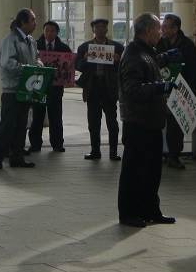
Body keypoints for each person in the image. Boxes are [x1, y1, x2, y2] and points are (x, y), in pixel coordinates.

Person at [118, 13, 177, 228]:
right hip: (137, 122)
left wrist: (165, 57)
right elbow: (132, 90)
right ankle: (128, 213)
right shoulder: (133, 54)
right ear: (148, 31)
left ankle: (151, 210)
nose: (160, 33)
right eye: (158, 29)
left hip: (152, 122)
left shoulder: (146, 52)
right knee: (134, 170)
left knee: (152, 170)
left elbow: (150, 63)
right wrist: (160, 87)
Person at [0, 8, 40, 169]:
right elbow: (7, 63)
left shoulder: (31, 40)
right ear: (23, 22)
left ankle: (17, 157)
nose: (35, 23)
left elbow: (35, 59)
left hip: (26, 89)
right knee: (8, 125)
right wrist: (27, 69)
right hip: (12, 90)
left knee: (21, 125)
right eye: (32, 20)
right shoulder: (10, 40)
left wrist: (38, 65)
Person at [75, 19, 125, 161]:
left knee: (112, 122)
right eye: (97, 27)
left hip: (109, 87)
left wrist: (118, 60)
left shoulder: (117, 47)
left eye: (103, 27)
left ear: (107, 30)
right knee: (93, 122)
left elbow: (124, 67)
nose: (100, 29)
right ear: (93, 30)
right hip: (93, 87)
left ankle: (113, 152)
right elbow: (78, 66)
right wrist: (84, 59)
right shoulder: (85, 47)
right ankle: (95, 151)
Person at [157, 13, 196, 170]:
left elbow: (193, 71)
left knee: (176, 126)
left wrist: (193, 91)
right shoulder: (160, 43)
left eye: (166, 27)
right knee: (160, 123)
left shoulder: (187, 45)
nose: (162, 29)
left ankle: (174, 156)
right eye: (162, 26)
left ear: (175, 29)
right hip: (161, 88)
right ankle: (161, 153)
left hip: (180, 89)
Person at [28, 20, 72, 153]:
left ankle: (57, 144)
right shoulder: (35, 45)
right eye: (47, 30)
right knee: (37, 117)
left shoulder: (64, 48)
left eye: (52, 30)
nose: (49, 33)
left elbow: (69, 67)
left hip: (56, 89)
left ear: (57, 32)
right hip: (38, 87)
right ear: (43, 31)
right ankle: (35, 144)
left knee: (56, 117)